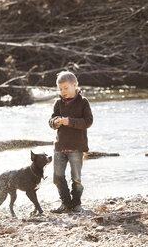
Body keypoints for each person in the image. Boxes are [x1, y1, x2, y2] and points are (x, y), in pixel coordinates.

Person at [48, 71, 93, 213]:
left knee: (76, 179)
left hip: (76, 147)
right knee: (57, 177)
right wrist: (56, 122)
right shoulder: (58, 103)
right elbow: (51, 121)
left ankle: (76, 204)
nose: (63, 91)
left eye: (66, 88)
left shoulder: (83, 102)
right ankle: (66, 203)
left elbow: (88, 121)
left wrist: (70, 122)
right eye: (60, 89)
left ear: (75, 85)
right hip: (60, 146)